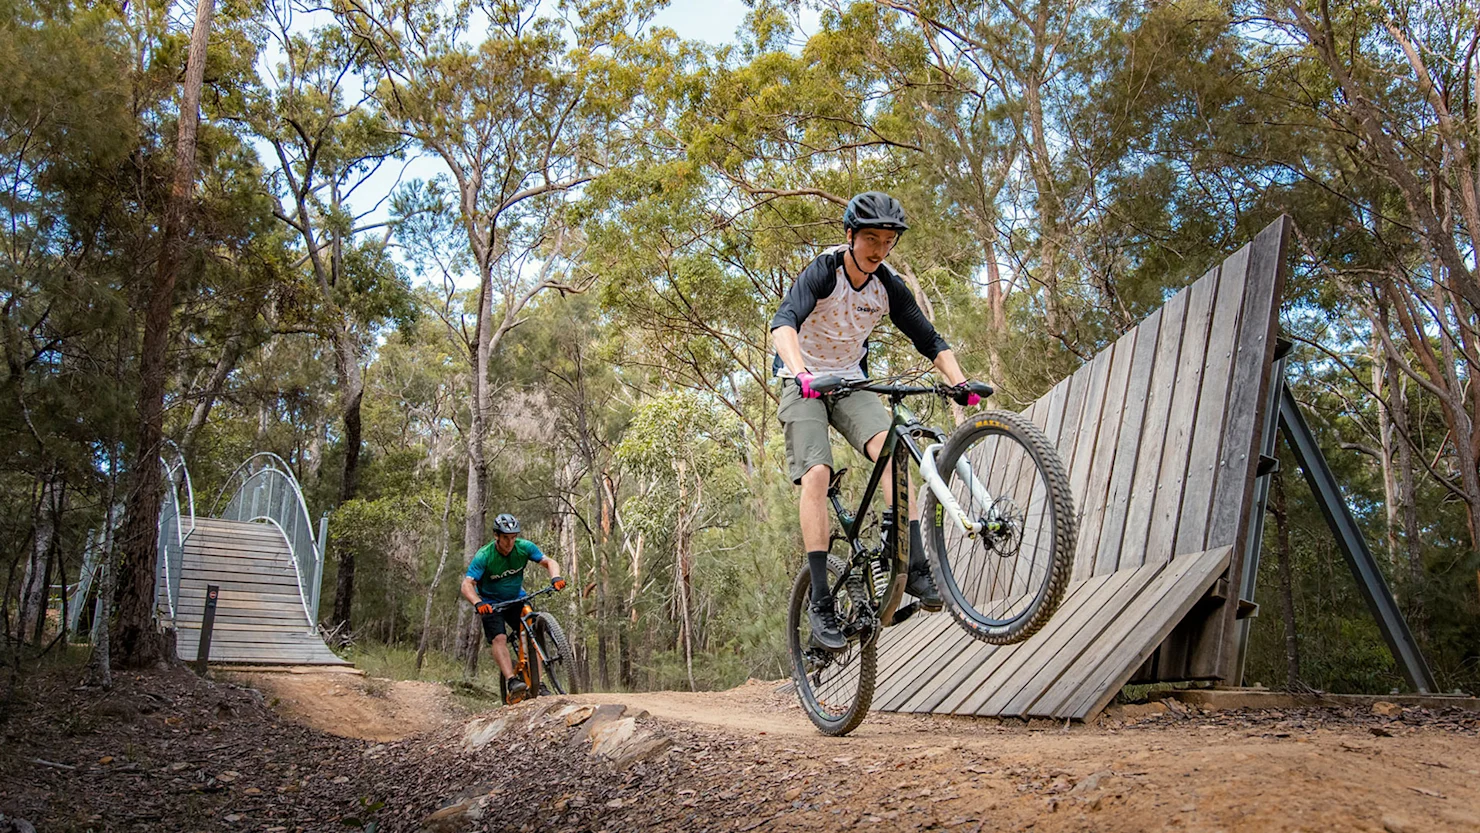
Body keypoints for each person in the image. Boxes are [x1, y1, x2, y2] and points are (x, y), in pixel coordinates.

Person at [770, 191, 982, 652]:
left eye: (887, 241)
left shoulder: (887, 284)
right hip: (801, 380)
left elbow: (930, 339)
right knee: (817, 473)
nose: (878, 249)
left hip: (849, 382)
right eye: (870, 238)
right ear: (849, 236)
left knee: (894, 448)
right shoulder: (824, 271)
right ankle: (821, 600)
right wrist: (802, 372)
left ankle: (908, 559)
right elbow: (783, 321)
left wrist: (961, 383)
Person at [460, 513, 565, 700]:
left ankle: (539, 684)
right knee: (499, 638)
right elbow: (467, 584)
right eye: (506, 538)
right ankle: (511, 681)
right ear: (496, 536)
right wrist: (478, 602)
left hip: (518, 599)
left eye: (513, 537)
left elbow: (549, 561)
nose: (510, 543)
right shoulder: (484, 556)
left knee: (531, 634)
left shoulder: (524, 548)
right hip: (492, 605)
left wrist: (555, 577)